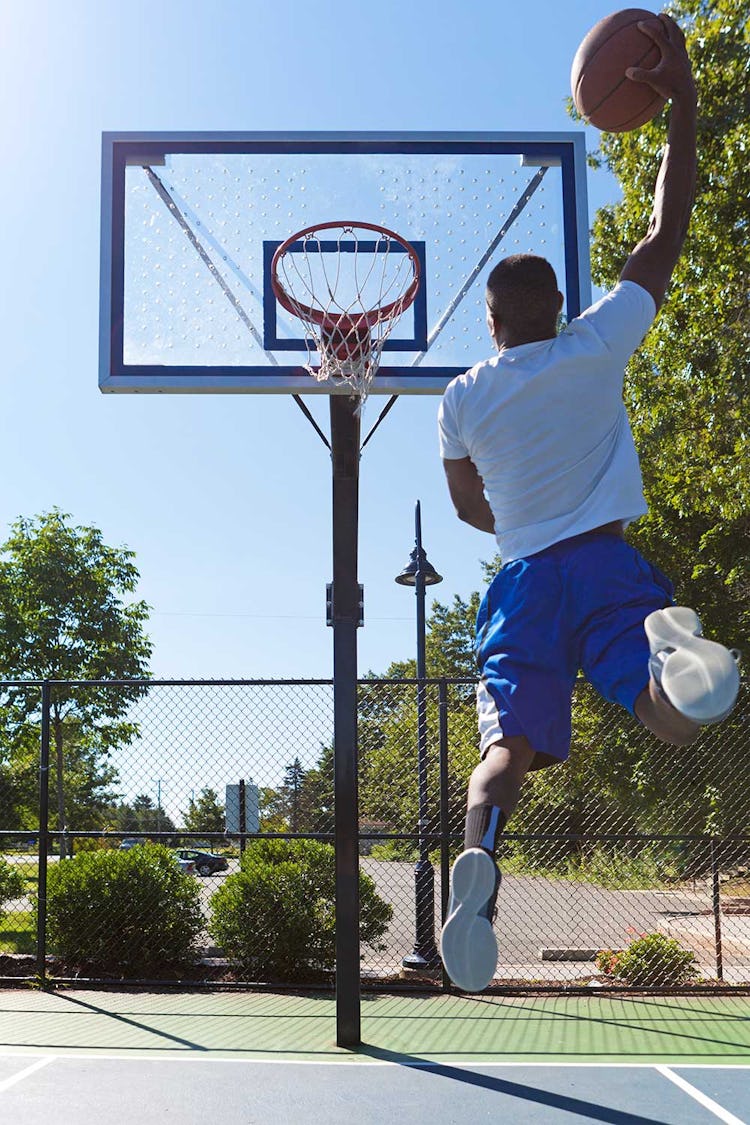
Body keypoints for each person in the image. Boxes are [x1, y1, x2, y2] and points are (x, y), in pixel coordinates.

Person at [437, 15, 740, 993]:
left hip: (523, 579)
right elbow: (665, 231)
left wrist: (517, 523)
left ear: (492, 323)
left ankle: (477, 855)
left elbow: (467, 508)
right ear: (559, 309)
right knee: (672, 722)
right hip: (606, 562)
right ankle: (677, 655)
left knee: (502, 750)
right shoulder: (594, 344)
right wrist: (682, 108)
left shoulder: (464, 396)